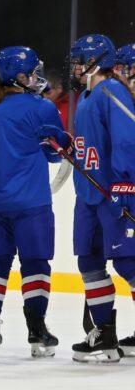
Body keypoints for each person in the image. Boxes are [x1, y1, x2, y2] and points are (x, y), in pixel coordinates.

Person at [0, 45, 65, 358]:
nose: (36, 76)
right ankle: (36, 329)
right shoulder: (41, 107)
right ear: (20, 75)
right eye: (32, 72)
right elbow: (56, 153)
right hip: (31, 201)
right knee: (36, 264)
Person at [67, 35, 135, 362]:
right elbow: (88, 144)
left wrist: (125, 185)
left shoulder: (112, 90)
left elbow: (126, 140)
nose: (76, 66)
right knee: (89, 261)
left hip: (113, 194)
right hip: (87, 195)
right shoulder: (86, 95)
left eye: (81, 59)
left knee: (128, 262)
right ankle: (105, 334)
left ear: (97, 60)